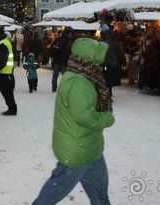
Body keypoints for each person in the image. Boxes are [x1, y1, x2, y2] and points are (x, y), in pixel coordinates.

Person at [33, 38, 115, 205]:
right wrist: (107, 118)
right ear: (90, 59)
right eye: (100, 57)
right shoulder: (78, 82)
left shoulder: (84, 77)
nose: (103, 61)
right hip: (77, 150)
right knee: (53, 192)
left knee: (100, 194)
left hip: (90, 148)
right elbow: (85, 117)